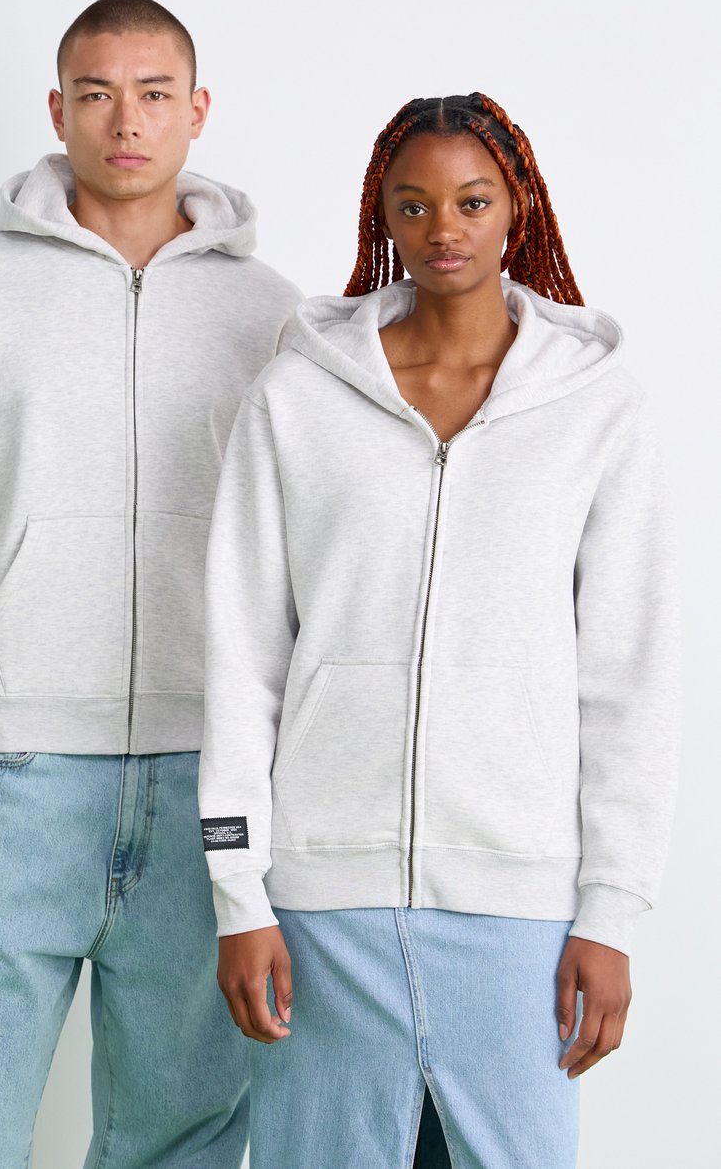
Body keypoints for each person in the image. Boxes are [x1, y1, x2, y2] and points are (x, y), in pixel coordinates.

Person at [198, 94, 680, 1169]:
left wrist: (609, 914)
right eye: (412, 205)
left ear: (518, 209)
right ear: (383, 217)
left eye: (471, 201)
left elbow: (629, 679)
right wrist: (239, 896)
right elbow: (242, 656)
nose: (442, 229)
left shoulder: (596, 408)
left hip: (519, 911)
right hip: (321, 904)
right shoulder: (298, 397)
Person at [0, 0, 305, 1169]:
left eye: (154, 94)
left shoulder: (272, 315)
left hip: (205, 782)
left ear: (197, 110)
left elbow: (299, 564)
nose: (127, 121)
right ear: (57, 110)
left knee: (181, 1139)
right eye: (97, 94)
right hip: (14, 783)